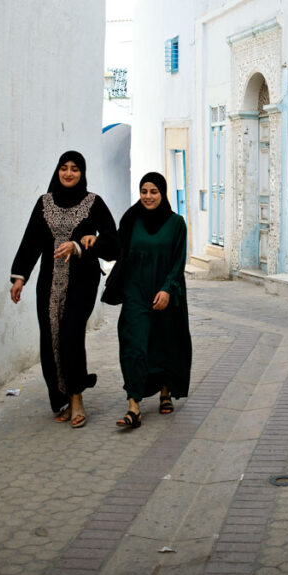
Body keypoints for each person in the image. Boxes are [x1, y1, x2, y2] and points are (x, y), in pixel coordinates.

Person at [10, 151, 118, 428]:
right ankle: (62, 398)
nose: (69, 173)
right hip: (49, 283)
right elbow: (31, 241)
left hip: (82, 282)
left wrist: (84, 244)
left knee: (70, 335)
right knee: (51, 339)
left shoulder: (93, 203)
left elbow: (113, 242)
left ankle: (77, 397)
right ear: (57, 171)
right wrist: (20, 277)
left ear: (82, 173)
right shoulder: (44, 203)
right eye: (64, 168)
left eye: (75, 169)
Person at [114, 172, 192, 429]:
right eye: (144, 191)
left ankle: (165, 391)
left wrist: (168, 289)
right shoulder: (132, 220)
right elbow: (114, 246)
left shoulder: (176, 223)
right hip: (135, 292)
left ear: (162, 193)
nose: (148, 196)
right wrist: (88, 242)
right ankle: (133, 406)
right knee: (133, 345)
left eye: (153, 192)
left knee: (164, 343)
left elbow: (178, 261)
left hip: (166, 293)